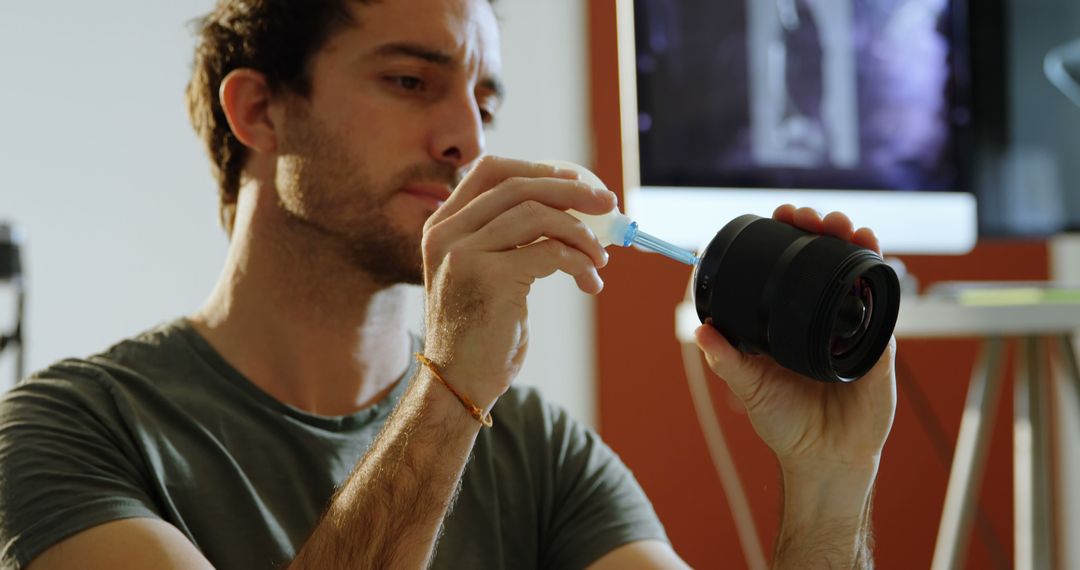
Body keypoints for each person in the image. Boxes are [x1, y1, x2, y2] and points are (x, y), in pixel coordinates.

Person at [0, 0, 896, 568]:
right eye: (408, 80)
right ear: (259, 111)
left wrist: (827, 487)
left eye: (485, 100)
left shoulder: (538, 453)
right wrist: (450, 392)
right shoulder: (70, 437)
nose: (466, 136)